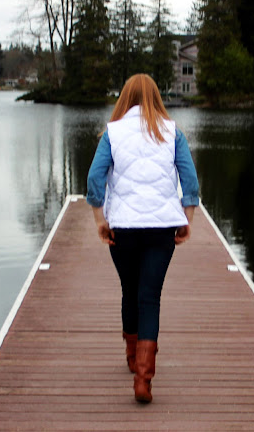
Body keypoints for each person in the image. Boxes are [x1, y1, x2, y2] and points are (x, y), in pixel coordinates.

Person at [86, 74, 199, 403]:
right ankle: (143, 380)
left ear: (124, 98)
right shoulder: (173, 132)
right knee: (149, 297)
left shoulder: (112, 132)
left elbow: (94, 179)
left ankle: (132, 356)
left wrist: (100, 220)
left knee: (129, 289)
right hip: (162, 227)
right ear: (156, 98)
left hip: (123, 226)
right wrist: (186, 219)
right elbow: (190, 181)